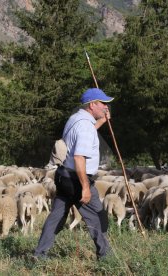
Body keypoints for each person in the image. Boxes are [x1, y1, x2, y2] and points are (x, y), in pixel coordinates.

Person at [34, 87, 113, 260]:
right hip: (77, 178)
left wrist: (103, 121)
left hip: (63, 175)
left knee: (57, 216)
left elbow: (87, 131)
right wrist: (85, 187)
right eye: (103, 104)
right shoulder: (85, 127)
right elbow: (79, 158)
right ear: (92, 105)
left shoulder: (76, 118)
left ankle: (40, 254)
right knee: (97, 216)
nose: (106, 107)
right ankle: (106, 256)